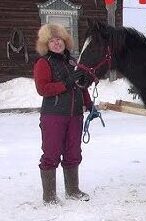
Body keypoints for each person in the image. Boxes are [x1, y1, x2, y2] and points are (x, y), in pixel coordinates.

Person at [33, 23, 92, 205]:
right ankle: (49, 197)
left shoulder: (72, 62)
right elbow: (42, 89)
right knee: (51, 153)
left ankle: (72, 190)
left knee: (73, 151)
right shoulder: (43, 63)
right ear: (46, 44)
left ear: (65, 41)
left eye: (59, 39)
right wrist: (65, 84)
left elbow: (80, 87)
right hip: (53, 116)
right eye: (52, 41)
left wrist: (89, 103)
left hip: (75, 115)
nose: (57, 43)